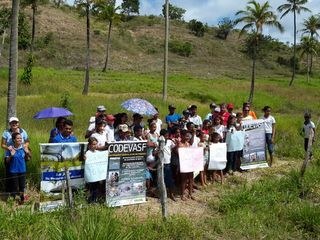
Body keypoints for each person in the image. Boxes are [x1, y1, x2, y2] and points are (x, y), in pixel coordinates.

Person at [1, 117, 30, 193]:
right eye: (12, 123)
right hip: (9, 156)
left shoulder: (23, 131)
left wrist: (25, 147)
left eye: (16, 122)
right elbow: (2, 145)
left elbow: (27, 141)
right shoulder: (6, 132)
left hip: (20, 154)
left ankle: (20, 194)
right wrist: (9, 149)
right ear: (10, 124)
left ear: (18, 123)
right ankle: (10, 194)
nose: (14, 124)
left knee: (21, 174)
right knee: (9, 176)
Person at [5, 132, 31, 204]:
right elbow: (7, 161)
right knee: (14, 187)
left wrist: (27, 152)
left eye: (20, 138)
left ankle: (22, 200)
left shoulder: (24, 147)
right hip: (13, 171)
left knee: (22, 187)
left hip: (22, 170)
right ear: (14, 140)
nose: (20, 139)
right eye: (18, 138)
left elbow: (29, 158)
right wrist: (11, 155)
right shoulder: (10, 149)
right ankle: (13, 202)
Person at [176, 129, 194, 201]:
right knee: (183, 180)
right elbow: (178, 153)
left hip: (190, 163)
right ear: (182, 136)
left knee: (191, 179)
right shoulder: (180, 144)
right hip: (183, 164)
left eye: (188, 136)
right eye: (186, 136)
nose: (188, 137)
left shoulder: (188, 143)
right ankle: (182, 194)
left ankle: (190, 194)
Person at [159, 129, 176, 201]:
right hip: (161, 164)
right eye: (165, 136)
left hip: (168, 163)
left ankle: (171, 194)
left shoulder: (170, 142)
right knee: (162, 180)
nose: (167, 137)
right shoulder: (159, 142)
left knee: (170, 180)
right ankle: (163, 195)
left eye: (167, 135)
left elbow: (174, 147)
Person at [84, 137, 100, 203]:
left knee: (96, 188)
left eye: (96, 144)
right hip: (90, 175)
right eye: (93, 144)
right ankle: (90, 201)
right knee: (90, 189)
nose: (95, 146)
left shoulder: (98, 153)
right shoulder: (87, 153)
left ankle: (95, 200)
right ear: (89, 145)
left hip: (97, 174)